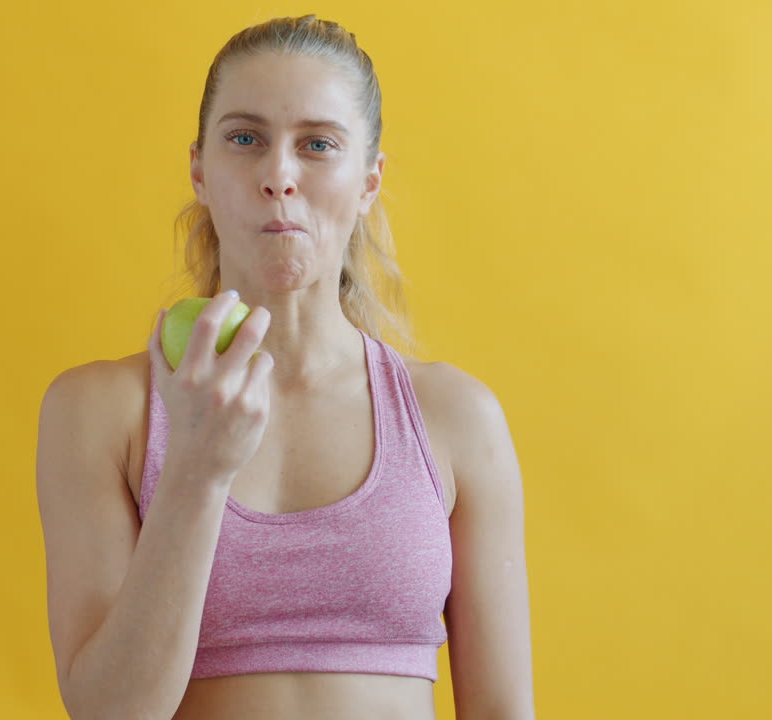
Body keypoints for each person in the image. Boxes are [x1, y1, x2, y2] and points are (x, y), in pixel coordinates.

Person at [36, 14, 535, 720]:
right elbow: (110, 713)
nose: (278, 176)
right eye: (246, 139)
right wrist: (196, 471)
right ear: (200, 172)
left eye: (317, 145)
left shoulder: (455, 417)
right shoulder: (101, 411)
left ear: (369, 181)